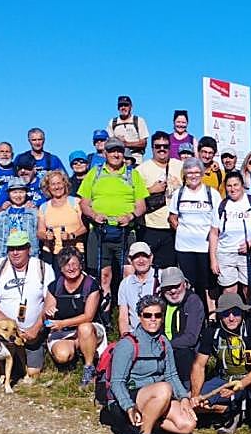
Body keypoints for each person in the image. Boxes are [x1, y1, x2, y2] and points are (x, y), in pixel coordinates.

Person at [101, 294, 197, 434]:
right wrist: (129, 407)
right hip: (127, 399)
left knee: (187, 424)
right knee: (164, 389)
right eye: (147, 315)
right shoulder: (128, 344)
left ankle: (145, 426)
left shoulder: (164, 342)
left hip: (155, 396)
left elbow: (172, 375)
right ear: (140, 317)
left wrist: (184, 398)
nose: (153, 319)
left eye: (157, 315)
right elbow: (117, 382)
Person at [78, 138, 149, 311]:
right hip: (100, 230)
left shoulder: (133, 174)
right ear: (105, 153)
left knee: (129, 274)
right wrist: (94, 215)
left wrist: (130, 216)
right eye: (111, 151)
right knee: (104, 275)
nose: (116, 154)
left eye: (119, 151)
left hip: (126, 230)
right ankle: (105, 315)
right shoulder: (94, 173)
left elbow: (141, 206)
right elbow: (84, 203)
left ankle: (132, 313)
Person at [189, 293, 251, 434]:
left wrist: (240, 384)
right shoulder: (212, 332)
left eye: (236, 313)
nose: (231, 318)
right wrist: (196, 396)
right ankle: (230, 410)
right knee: (190, 402)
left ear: (242, 312)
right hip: (225, 378)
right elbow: (198, 366)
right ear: (219, 315)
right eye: (226, 314)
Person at [0, 229, 56, 381]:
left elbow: (50, 303)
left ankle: (19, 363)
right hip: (5, 332)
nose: (15, 253)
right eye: (11, 249)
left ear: (29, 249)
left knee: (33, 373)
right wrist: (10, 324)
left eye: (19, 248)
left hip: (32, 334)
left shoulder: (43, 268)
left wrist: (35, 328)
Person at [44, 249, 105, 391]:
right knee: (62, 355)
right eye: (66, 265)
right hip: (64, 333)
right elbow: (47, 320)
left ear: (81, 265)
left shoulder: (91, 285)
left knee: (84, 327)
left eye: (74, 264)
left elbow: (88, 316)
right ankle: (80, 348)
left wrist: (62, 323)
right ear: (61, 268)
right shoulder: (54, 287)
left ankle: (89, 367)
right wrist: (49, 313)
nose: (71, 268)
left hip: (90, 329)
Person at [169, 157, 219, 306]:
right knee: (189, 283)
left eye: (197, 172)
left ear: (202, 173)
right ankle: (191, 312)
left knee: (208, 284)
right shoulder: (179, 193)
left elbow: (217, 222)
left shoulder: (212, 194)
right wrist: (183, 230)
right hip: (184, 247)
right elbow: (172, 217)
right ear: (185, 174)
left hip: (206, 247)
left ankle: (211, 315)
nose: (193, 176)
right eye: (189, 172)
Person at [134, 130, 183, 268]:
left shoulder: (179, 166)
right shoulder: (141, 170)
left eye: (165, 146)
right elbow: (133, 197)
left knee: (170, 269)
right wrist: (151, 190)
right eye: (158, 146)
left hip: (173, 227)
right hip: (150, 227)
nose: (162, 149)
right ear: (152, 148)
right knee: (148, 269)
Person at [209, 170, 251, 299]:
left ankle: (250, 311)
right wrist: (213, 259)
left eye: (236, 185)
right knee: (229, 290)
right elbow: (214, 233)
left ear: (242, 185)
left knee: (248, 289)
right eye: (229, 186)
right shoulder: (221, 205)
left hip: (247, 254)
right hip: (225, 254)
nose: (232, 189)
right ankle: (230, 311)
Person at [37, 169, 86, 263]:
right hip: (51, 253)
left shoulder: (76, 202)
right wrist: (46, 236)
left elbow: (85, 227)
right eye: (53, 184)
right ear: (48, 187)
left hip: (75, 252)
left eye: (59, 183)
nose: (57, 187)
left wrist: (71, 235)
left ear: (65, 183)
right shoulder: (44, 207)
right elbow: (40, 232)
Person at [117, 241, 160, 335]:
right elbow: (123, 317)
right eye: (136, 257)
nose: (141, 261)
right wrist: (125, 337)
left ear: (151, 258)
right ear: (130, 260)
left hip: (158, 334)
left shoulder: (161, 278)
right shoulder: (125, 283)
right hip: (134, 335)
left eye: (144, 256)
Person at [0, 181, 40, 259]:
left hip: (30, 254)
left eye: (21, 192)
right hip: (8, 254)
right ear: (9, 194)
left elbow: (37, 233)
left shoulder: (33, 214)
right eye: (14, 192)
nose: (18, 195)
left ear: (26, 193)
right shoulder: (2, 216)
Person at [107, 95, 149, 164]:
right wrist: (117, 141)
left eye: (126, 105)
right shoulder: (112, 122)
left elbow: (143, 143)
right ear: (118, 108)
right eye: (121, 105)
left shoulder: (139, 120)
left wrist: (126, 144)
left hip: (136, 158)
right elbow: (109, 142)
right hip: (118, 159)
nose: (123, 107)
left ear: (131, 107)